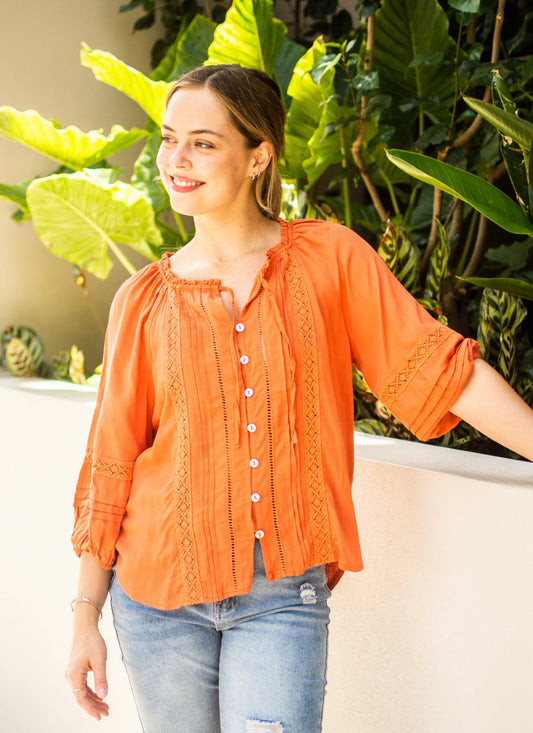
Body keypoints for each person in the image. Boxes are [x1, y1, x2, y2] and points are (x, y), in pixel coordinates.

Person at [65, 64, 533, 733]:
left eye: (203, 143)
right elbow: (110, 464)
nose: (176, 160)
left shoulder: (329, 259)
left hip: (281, 595)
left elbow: (439, 367)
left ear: (259, 155)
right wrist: (84, 615)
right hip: (155, 599)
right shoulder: (142, 300)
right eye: (169, 139)